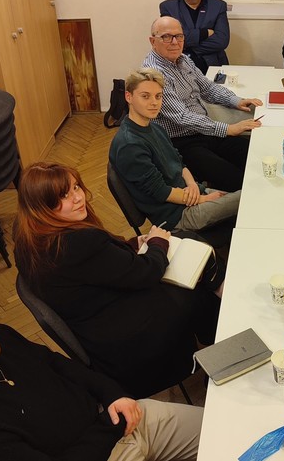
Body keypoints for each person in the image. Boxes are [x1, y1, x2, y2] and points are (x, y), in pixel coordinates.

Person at [0, 270, 203, 461]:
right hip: (108, 434)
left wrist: (112, 394)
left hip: (118, 419)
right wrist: (111, 424)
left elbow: (55, 362)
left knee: (226, 431)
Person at [13, 162, 223, 398]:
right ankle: (225, 353)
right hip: (130, 340)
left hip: (99, 331)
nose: (78, 198)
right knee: (195, 284)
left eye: (75, 187)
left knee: (189, 256)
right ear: (43, 206)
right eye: (63, 196)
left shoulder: (28, 239)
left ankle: (218, 335)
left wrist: (132, 245)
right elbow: (147, 272)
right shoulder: (78, 244)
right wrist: (157, 242)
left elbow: (94, 267)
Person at [110, 67, 240, 231]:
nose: (154, 102)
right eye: (145, 96)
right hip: (177, 215)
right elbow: (161, 192)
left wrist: (193, 185)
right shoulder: (129, 145)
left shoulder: (155, 127)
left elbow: (179, 162)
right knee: (248, 199)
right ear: (128, 97)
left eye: (158, 96)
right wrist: (202, 199)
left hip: (192, 194)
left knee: (244, 199)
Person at [143, 16, 263, 192]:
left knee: (255, 157)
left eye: (179, 36)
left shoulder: (184, 60)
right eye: (167, 37)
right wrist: (228, 129)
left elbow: (208, 88)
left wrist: (236, 101)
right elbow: (182, 117)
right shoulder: (154, 74)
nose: (175, 42)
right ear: (153, 41)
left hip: (205, 130)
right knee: (237, 180)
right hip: (181, 143)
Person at [160, 0, 230, 74]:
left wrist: (188, 47)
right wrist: (203, 33)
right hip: (180, 65)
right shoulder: (168, 7)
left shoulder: (218, 5)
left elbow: (222, 41)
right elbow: (169, 39)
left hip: (213, 64)